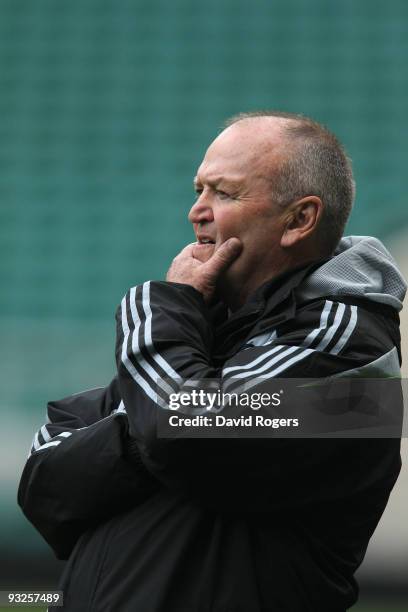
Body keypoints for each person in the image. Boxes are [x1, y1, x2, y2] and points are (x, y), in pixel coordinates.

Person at [18, 111, 406, 611]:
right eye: (199, 190)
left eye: (224, 193)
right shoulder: (201, 340)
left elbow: (182, 430)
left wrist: (158, 308)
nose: (197, 211)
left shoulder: (348, 348)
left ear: (299, 220)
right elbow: (47, 489)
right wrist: (160, 417)